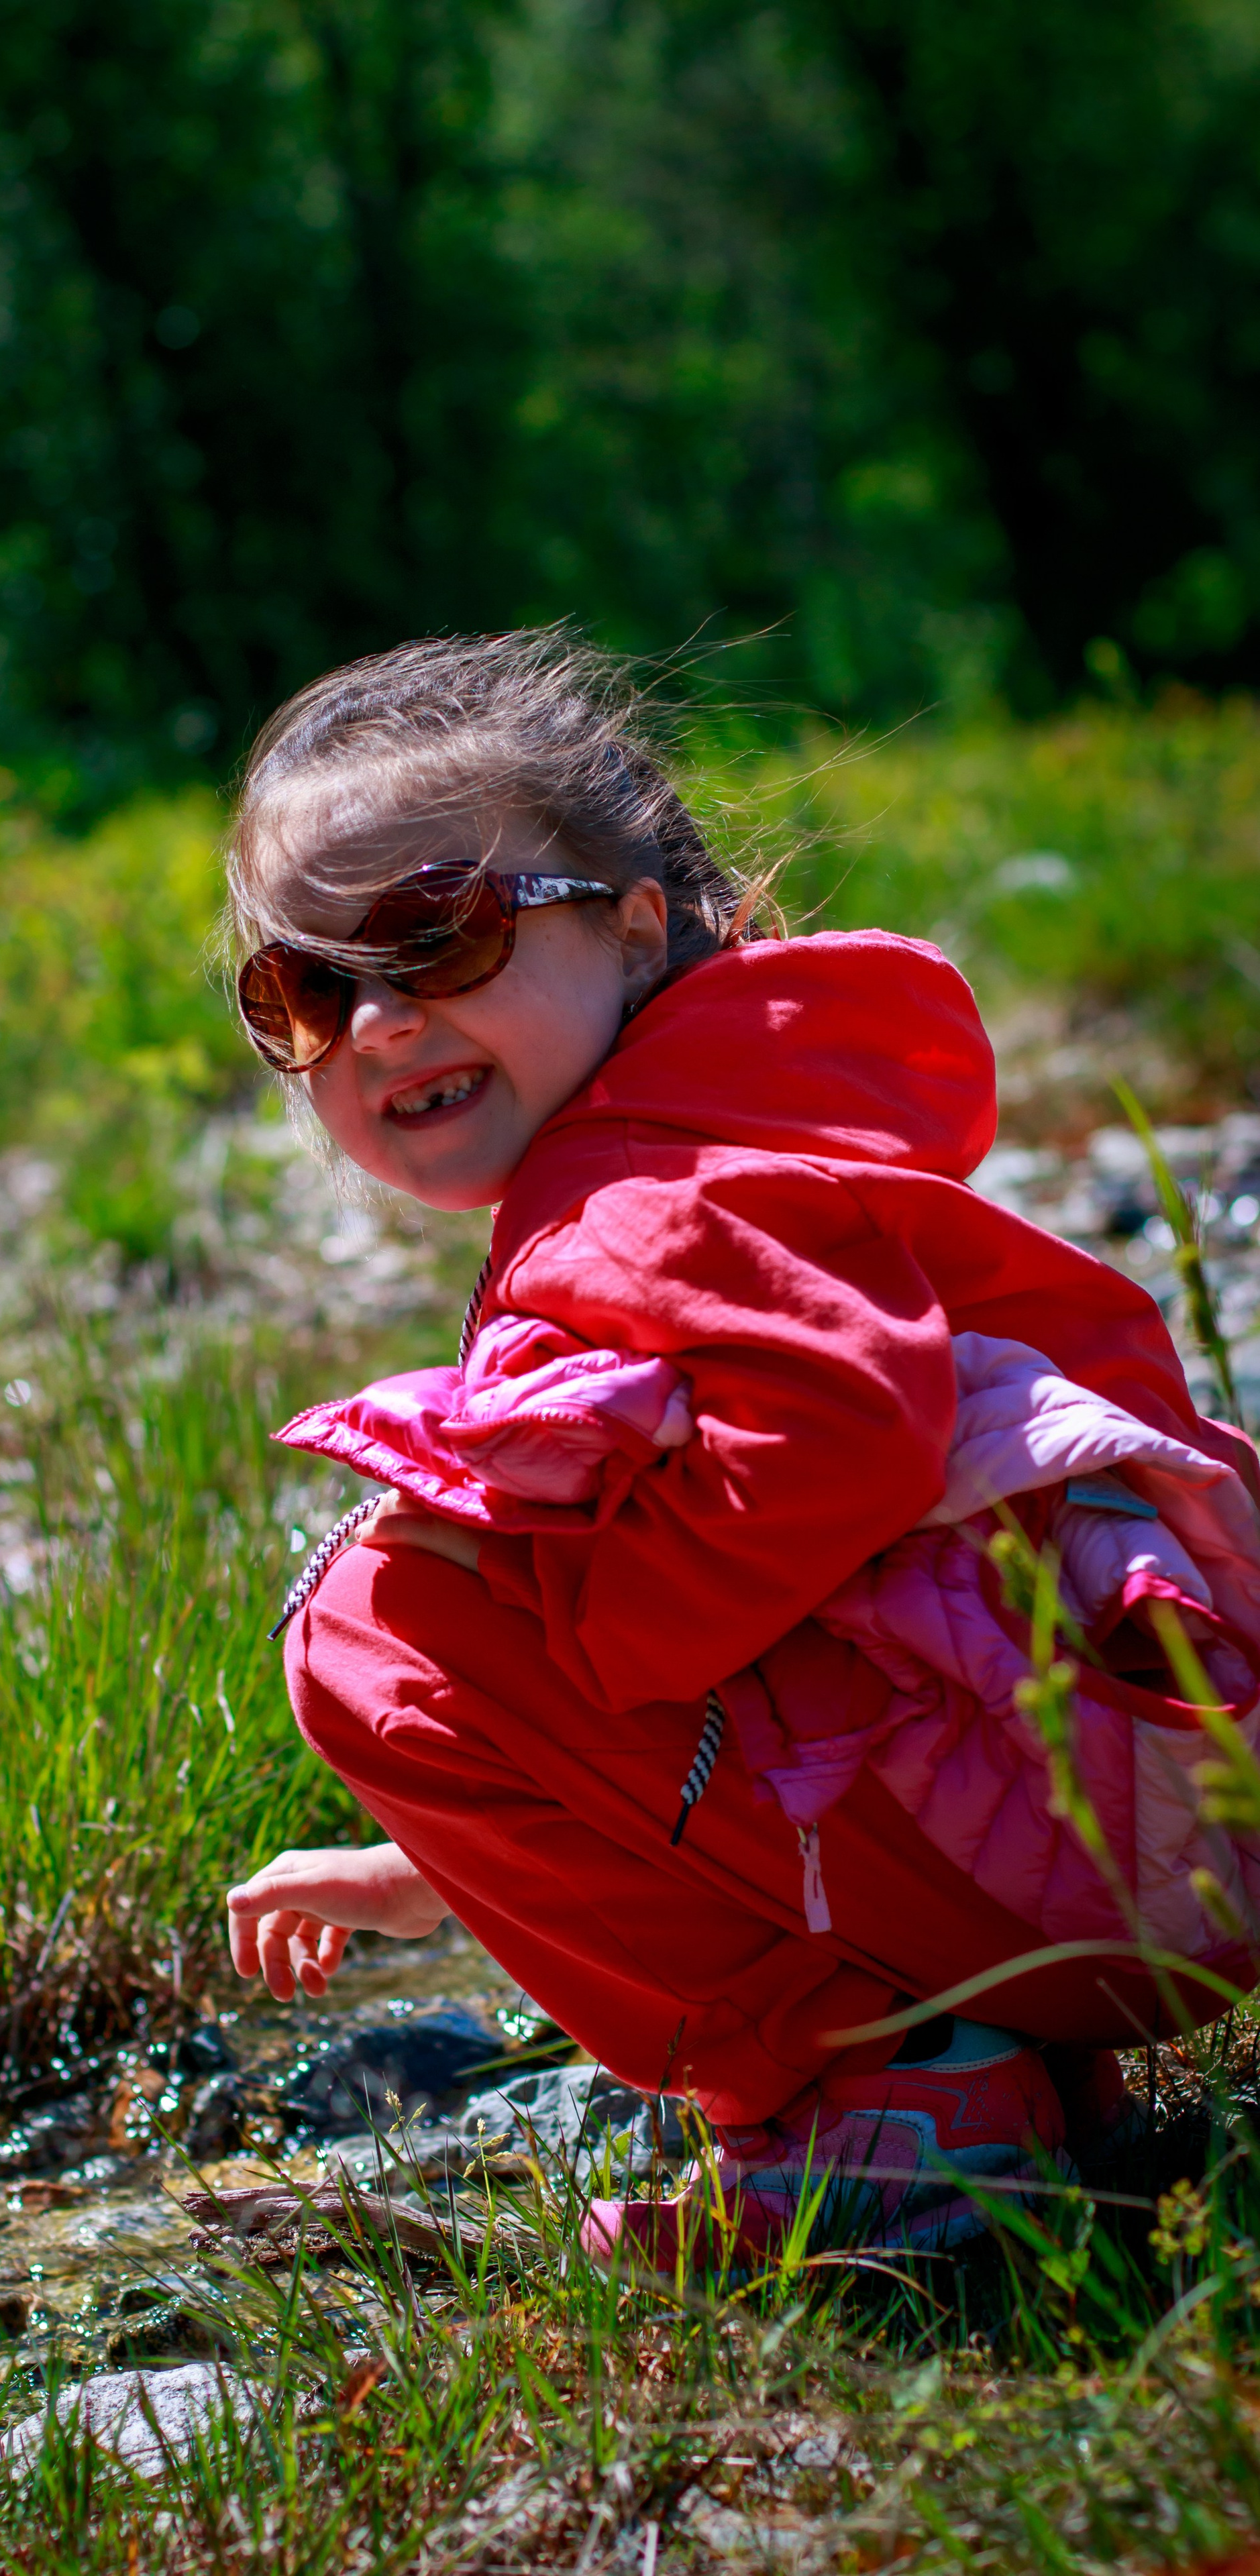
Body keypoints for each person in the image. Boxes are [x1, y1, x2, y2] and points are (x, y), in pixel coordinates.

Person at [219, 629, 1260, 2263]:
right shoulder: (732, 1118)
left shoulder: (636, 1197)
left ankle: (895, 2102)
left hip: (1092, 1857)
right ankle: (997, 2061)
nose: (374, 1023)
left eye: (436, 933)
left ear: (632, 925)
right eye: (305, 986)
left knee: (376, 1619)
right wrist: (444, 1852)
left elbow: (848, 1427)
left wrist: (574, 1645)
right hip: (1141, 1828)